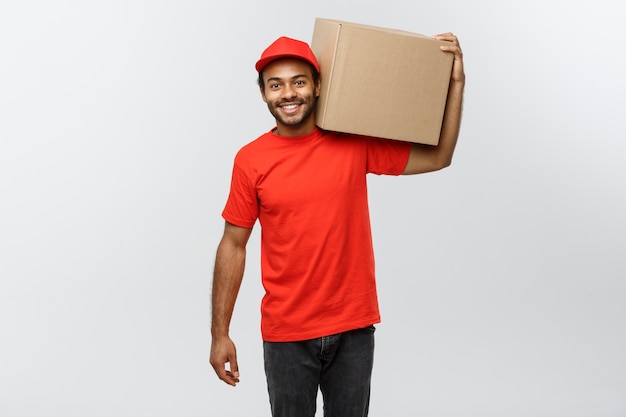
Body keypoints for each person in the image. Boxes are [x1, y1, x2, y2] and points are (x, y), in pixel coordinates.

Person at [210, 33, 465, 417]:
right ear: (263, 94)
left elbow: (439, 156)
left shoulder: (351, 142)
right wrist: (220, 334)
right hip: (287, 334)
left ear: (317, 86)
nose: (288, 93)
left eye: (298, 81)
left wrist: (457, 83)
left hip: (353, 328)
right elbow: (233, 244)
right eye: (275, 85)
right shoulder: (250, 160)